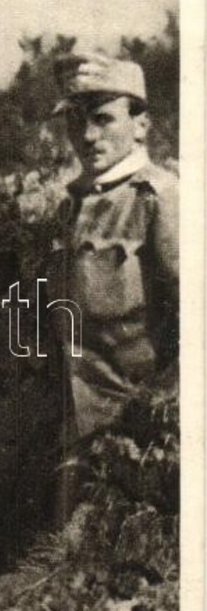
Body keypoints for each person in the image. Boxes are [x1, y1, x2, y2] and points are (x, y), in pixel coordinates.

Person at [48, 53, 179, 487]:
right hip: (73, 425)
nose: (87, 135)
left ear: (141, 124)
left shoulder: (157, 199)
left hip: (134, 433)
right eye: (76, 122)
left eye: (104, 119)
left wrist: (160, 417)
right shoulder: (72, 205)